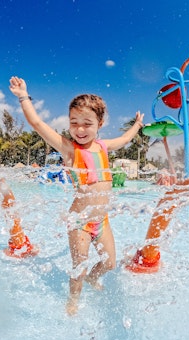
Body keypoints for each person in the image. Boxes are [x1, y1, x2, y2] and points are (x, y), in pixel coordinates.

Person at [9, 76, 144, 315]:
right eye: (74, 123)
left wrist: (137, 125)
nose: (80, 129)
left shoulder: (103, 146)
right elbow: (38, 124)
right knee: (79, 267)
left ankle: (93, 279)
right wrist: (23, 97)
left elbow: (124, 139)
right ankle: (73, 301)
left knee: (109, 263)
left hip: (101, 219)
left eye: (87, 123)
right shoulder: (69, 148)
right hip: (80, 221)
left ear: (100, 123)